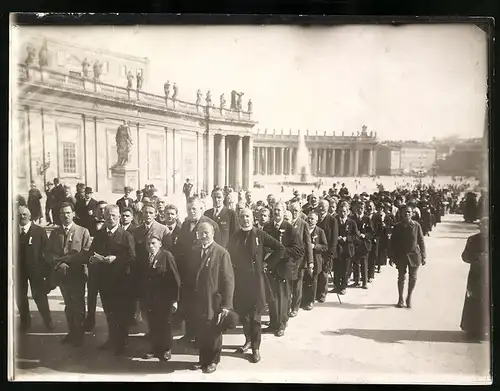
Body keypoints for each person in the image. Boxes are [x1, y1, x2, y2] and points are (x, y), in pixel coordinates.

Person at [227, 208, 284, 362]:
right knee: (244, 316)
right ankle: (247, 341)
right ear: (238, 219)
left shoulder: (259, 234)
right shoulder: (234, 237)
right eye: (242, 216)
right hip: (240, 282)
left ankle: (256, 348)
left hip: (256, 283)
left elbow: (280, 248)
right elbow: (228, 256)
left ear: (252, 218)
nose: (245, 219)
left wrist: (266, 263)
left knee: (255, 318)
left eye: (247, 216)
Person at [88, 205, 135, 355]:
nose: (111, 218)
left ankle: (121, 342)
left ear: (119, 216)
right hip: (104, 281)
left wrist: (116, 258)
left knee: (120, 312)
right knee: (109, 312)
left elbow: (132, 257)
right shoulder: (100, 234)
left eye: (114, 215)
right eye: (108, 215)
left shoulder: (125, 236)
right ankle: (112, 339)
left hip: (120, 282)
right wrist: (94, 258)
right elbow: (92, 252)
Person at [189, 223, 236, 374]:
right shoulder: (195, 251)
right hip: (198, 299)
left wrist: (226, 305)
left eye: (206, 232)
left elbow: (228, 280)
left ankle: (213, 361)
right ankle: (202, 359)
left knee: (214, 331)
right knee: (201, 330)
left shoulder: (221, 253)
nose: (203, 235)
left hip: (214, 300)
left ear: (213, 233)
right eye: (200, 232)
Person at [46, 202, 92, 346]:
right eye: (62, 214)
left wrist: (67, 260)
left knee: (78, 305)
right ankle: (72, 332)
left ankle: (79, 334)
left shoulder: (83, 231)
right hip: (61, 274)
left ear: (73, 214)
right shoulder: (55, 233)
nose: (65, 216)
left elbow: (86, 253)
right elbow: (48, 252)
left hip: (77, 274)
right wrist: (57, 262)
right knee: (68, 304)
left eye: (67, 213)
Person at [262, 201, 303, 337]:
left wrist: (280, 253)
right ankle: (273, 322)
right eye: (275, 210)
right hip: (270, 268)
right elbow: (263, 245)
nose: (277, 213)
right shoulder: (267, 227)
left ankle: (282, 324)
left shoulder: (290, 229)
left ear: (284, 211)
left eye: (279, 210)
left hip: (284, 268)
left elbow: (298, 250)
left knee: (283, 298)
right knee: (272, 297)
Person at [141, 236, 181, 361]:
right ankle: (155, 349)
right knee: (153, 325)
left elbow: (176, 279)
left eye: (153, 243)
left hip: (165, 299)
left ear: (160, 244)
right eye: (148, 243)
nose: (150, 246)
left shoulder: (166, 256)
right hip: (150, 299)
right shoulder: (145, 258)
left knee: (165, 325)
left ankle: (166, 349)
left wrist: (175, 300)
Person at [16, 206, 53, 332]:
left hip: (36, 270)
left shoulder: (39, 231)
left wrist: (45, 270)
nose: (22, 217)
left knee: (40, 296)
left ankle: (48, 321)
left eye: (25, 214)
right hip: (19, 271)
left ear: (30, 215)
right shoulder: (13, 232)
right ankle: (25, 323)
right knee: (20, 297)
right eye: (19, 215)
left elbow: (47, 251)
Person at [389, 204, 426, 308]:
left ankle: (409, 297)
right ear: (401, 214)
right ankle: (400, 298)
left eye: (409, 212)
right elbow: (392, 243)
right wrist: (391, 256)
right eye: (405, 212)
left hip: (414, 256)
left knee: (413, 278)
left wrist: (424, 256)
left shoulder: (416, 226)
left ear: (412, 214)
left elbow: (421, 241)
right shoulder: (397, 226)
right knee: (401, 277)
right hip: (400, 256)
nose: (407, 214)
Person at [460, 217, 489, 341]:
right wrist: (476, 257)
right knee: (474, 299)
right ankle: (473, 328)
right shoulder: (472, 239)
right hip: (476, 275)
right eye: (482, 225)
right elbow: (464, 256)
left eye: (487, 225)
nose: (485, 228)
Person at [286, 202, 313, 317]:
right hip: (287, 259)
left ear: (300, 211)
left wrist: (310, 261)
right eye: (292, 210)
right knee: (287, 284)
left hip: (299, 260)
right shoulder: (285, 222)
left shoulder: (303, 224)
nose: (294, 212)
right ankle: (286, 306)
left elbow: (308, 243)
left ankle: (295, 307)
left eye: (296, 210)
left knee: (297, 285)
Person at [303, 211, 328, 310]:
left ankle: (311, 301)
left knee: (313, 281)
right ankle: (303, 300)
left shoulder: (320, 231)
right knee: (304, 280)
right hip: (304, 259)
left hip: (316, 259)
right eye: (308, 218)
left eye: (312, 218)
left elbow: (325, 246)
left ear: (317, 220)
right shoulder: (304, 229)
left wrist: (315, 246)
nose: (310, 220)